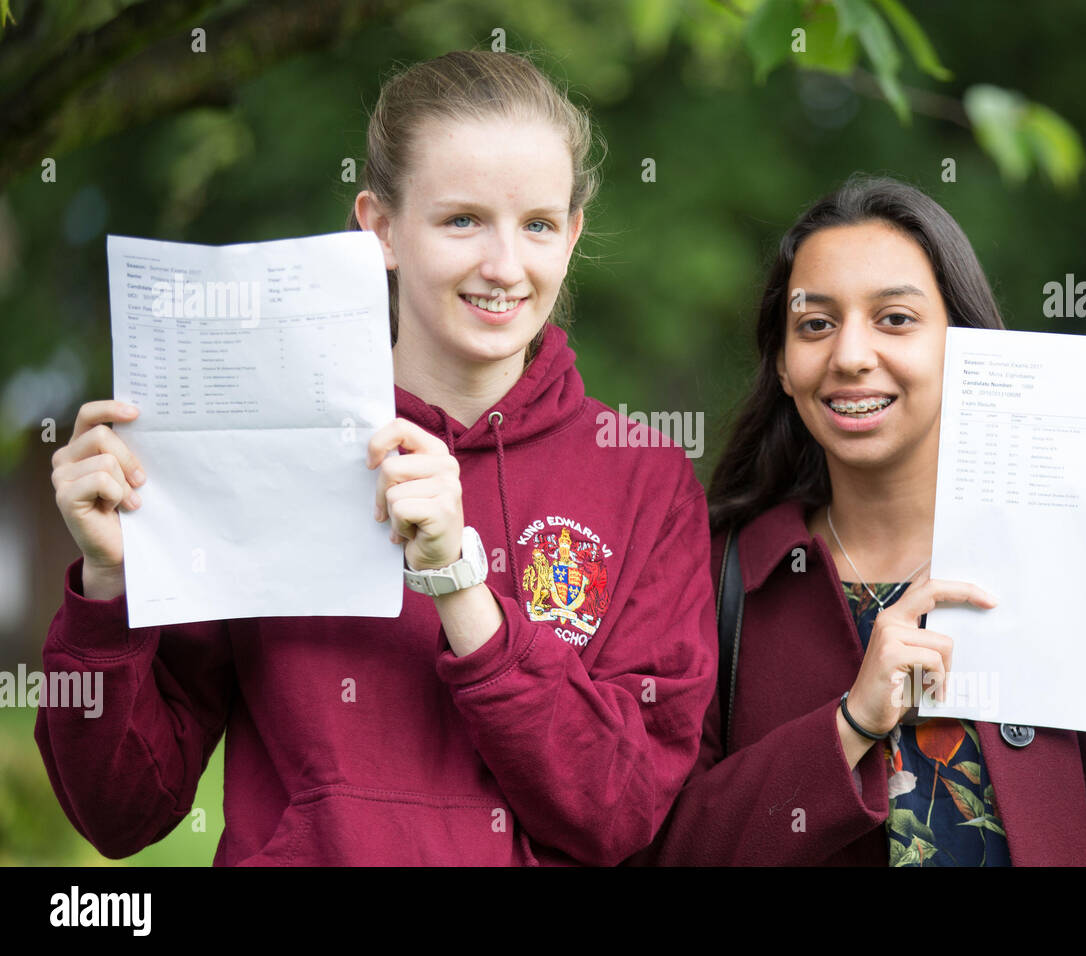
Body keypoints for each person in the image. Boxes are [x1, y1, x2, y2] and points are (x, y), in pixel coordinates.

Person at [37, 50, 716, 866]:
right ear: (380, 229)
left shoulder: (642, 474)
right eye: (461, 219)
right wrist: (108, 590)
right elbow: (122, 812)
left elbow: (620, 811)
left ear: (571, 237)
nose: (504, 266)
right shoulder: (263, 441)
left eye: (536, 224)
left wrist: (461, 590)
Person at [634, 175, 1086, 866]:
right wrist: (850, 725)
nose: (850, 356)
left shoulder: (1075, 565)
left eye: (894, 319)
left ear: (966, 348)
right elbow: (663, 851)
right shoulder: (714, 573)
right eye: (815, 324)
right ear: (782, 363)